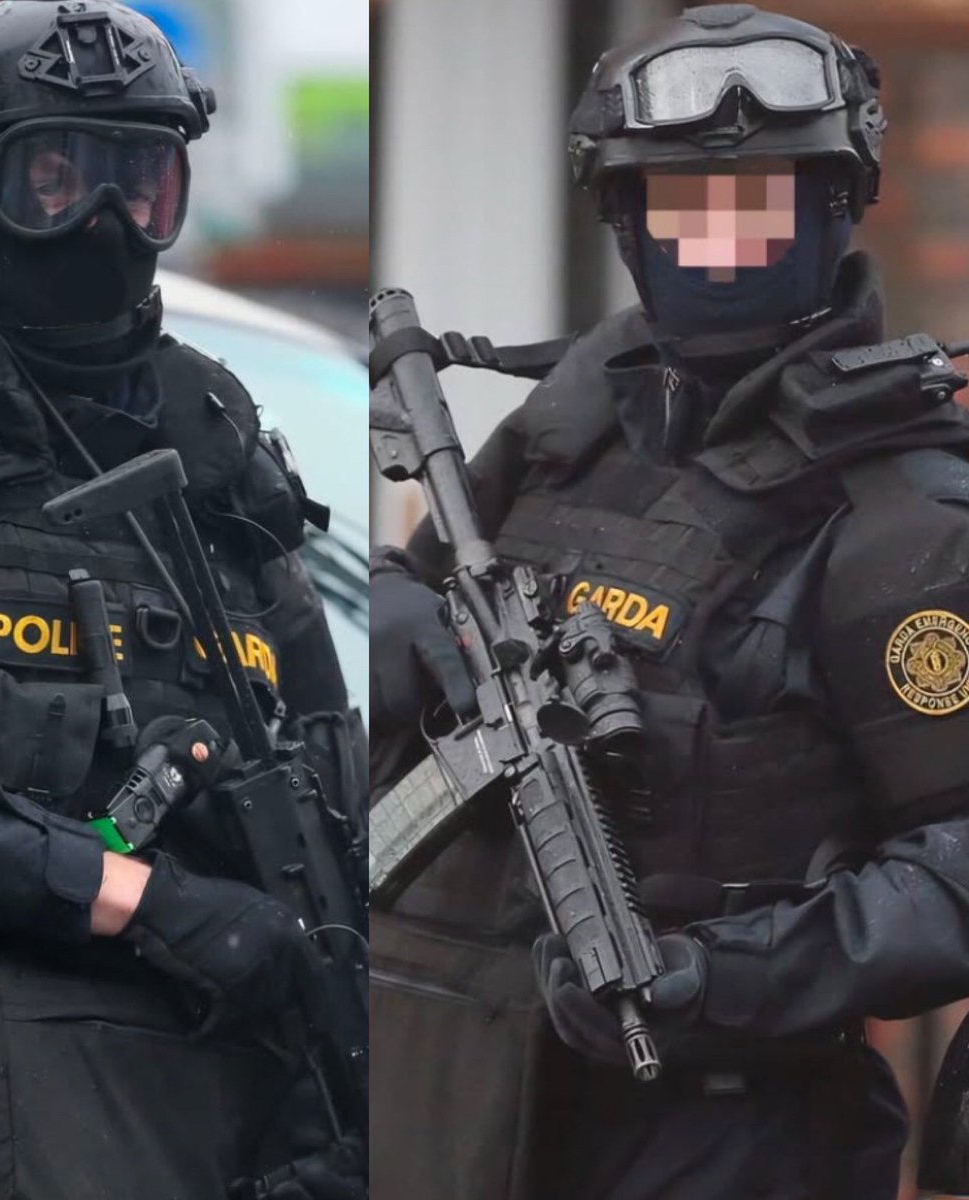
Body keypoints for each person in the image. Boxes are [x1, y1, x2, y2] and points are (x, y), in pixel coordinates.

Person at [369, 6, 969, 1199]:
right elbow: (422, 596)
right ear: (629, 223)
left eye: (767, 203)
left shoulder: (903, 512)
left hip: (721, 1134)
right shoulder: (564, 430)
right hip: (452, 1098)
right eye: (688, 207)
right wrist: (392, 619)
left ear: (839, 206)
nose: (725, 242)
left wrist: (721, 975)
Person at [0, 3, 366, 1198]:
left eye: (141, 181)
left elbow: (336, 780)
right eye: (53, 177)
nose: (105, 220)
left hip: (229, 1133)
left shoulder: (222, 470)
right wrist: (118, 891)